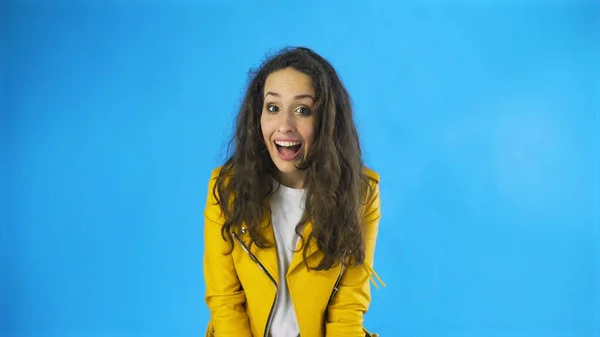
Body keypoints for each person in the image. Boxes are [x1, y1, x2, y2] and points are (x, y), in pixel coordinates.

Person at [203, 46, 383, 337]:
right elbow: (225, 302)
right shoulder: (226, 189)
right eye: (273, 108)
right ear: (257, 116)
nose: (284, 126)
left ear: (326, 121)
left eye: (303, 110)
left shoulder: (360, 193)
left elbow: (347, 309)